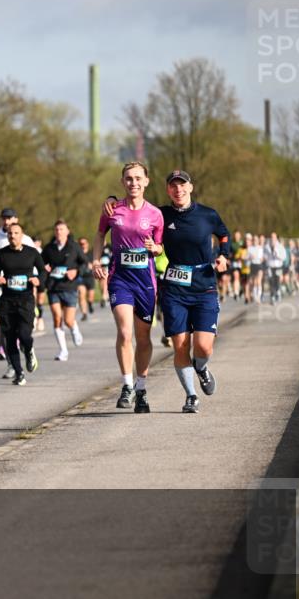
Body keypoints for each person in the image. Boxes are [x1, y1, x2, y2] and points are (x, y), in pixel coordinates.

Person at [103, 169, 231, 413]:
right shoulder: (160, 213)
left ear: (190, 188)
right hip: (173, 287)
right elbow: (133, 208)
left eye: (182, 185)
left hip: (203, 285)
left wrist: (224, 256)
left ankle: (201, 368)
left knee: (203, 347)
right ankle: (191, 395)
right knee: (180, 344)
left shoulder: (208, 214)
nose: (178, 190)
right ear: (167, 190)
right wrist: (111, 199)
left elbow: (224, 235)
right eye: (173, 186)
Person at [93, 162, 164, 413]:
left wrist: (156, 249)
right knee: (125, 332)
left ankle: (141, 387)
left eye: (137, 178)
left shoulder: (155, 214)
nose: (133, 183)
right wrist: (96, 260)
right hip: (120, 278)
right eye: (128, 179)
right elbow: (100, 235)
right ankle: (126, 385)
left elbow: (159, 246)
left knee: (143, 337)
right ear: (122, 182)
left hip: (145, 280)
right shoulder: (112, 209)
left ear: (146, 181)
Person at [0, 224, 45, 385]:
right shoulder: (1, 254)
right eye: (9, 233)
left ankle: (28, 350)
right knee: (10, 338)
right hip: (7, 301)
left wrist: (38, 280)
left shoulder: (32, 253)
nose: (12, 236)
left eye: (16, 233)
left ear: (22, 235)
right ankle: (19, 373)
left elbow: (43, 272)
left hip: (26, 300)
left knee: (24, 335)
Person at [0, 208, 36, 377]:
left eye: (10, 218)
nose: (7, 221)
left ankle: (25, 346)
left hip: (24, 293)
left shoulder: (27, 239)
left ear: (16, 219)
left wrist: (34, 279)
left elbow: (36, 263)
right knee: (1, 328)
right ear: (1, 220)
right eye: (4, 218)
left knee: (22, 331)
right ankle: (12, 364)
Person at [41, 220, 86, 361]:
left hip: (69, 287)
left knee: (67, 320)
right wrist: (44, 268)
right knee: (56, 317)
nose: (59, 232)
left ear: (67, 231)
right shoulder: (48, 248)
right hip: (53, 287)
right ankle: (63, 350)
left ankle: (74, 328)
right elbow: (40, 263)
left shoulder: (74, 247)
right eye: (56, 229)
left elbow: (84, 263)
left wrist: (76, 272)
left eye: (62, 229)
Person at [264, 232, 287, 304]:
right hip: (270, 267)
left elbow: (284, 257)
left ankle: (277, 292)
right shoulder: (267, 246)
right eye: (271, 237)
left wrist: (277, 254)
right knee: (271, 281)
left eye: (274, 237)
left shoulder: (280, 246)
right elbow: (264, 256)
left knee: (277, 281)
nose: (272, 238)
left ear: (276, 238)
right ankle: (272, 296)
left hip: (278, 266)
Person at [77, 236, 97, 320]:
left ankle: (90, 303)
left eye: (84, 243)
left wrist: (92, 266)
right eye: (80, 244)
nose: (82, 245)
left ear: (87, 244)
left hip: (90, 277)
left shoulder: (92, 253)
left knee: (90, 296)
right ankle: (84, 313)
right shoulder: (77, 254)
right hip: (80, 277)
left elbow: (97, 264)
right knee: (81, 295)